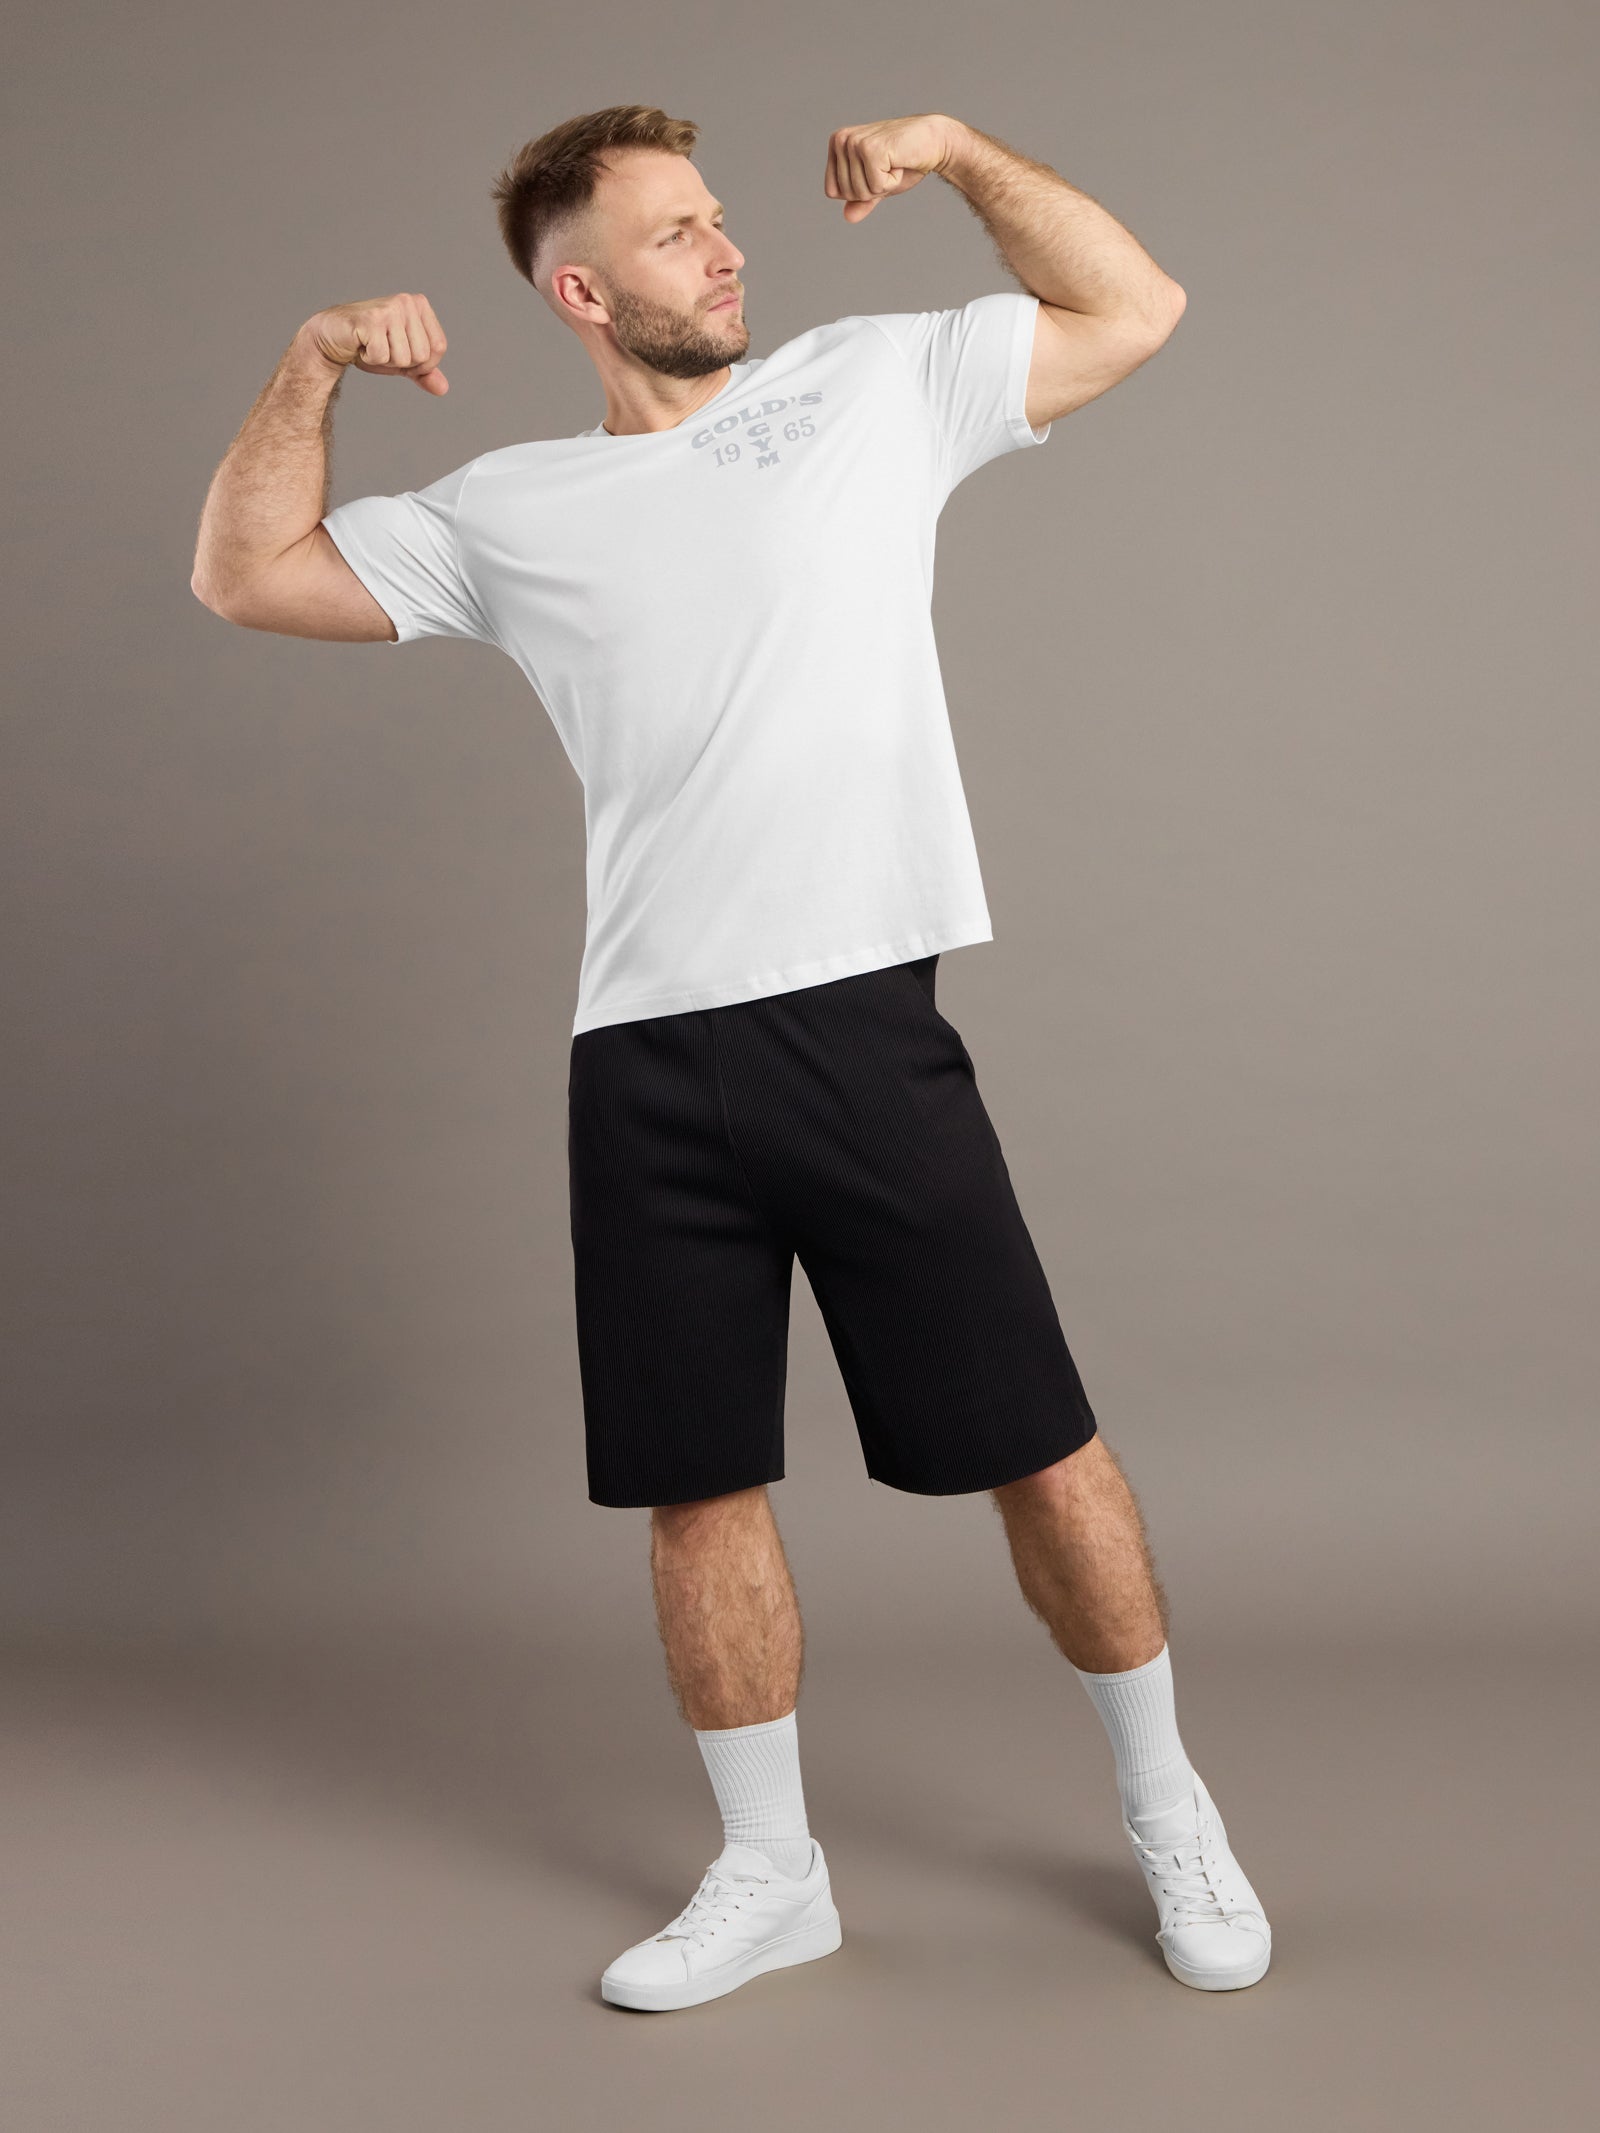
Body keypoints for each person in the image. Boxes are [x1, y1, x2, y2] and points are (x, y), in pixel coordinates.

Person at [190, 103, 1272, 2013]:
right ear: (586, 289)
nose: (729, 252)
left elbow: (1134, 303)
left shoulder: (872, 386)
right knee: (698, 1487)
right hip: (642, 1051)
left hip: (860, 1017)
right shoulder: (510, 508)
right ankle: (771, 1874)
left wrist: (953, 153)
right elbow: (246, 572)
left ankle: (1172, 1806)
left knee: (1039, 1447)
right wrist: (309, 362)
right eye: (681, 236)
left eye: (720, 221)